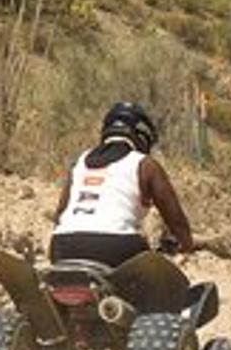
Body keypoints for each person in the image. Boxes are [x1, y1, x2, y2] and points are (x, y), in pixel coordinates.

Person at [49, 102, 195, 266]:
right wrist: (187, 246)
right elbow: (176, 220)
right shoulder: (144, 164)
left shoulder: (80, 162)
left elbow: (60, 214)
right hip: (116, 245)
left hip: (61, 245)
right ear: (144, 136)